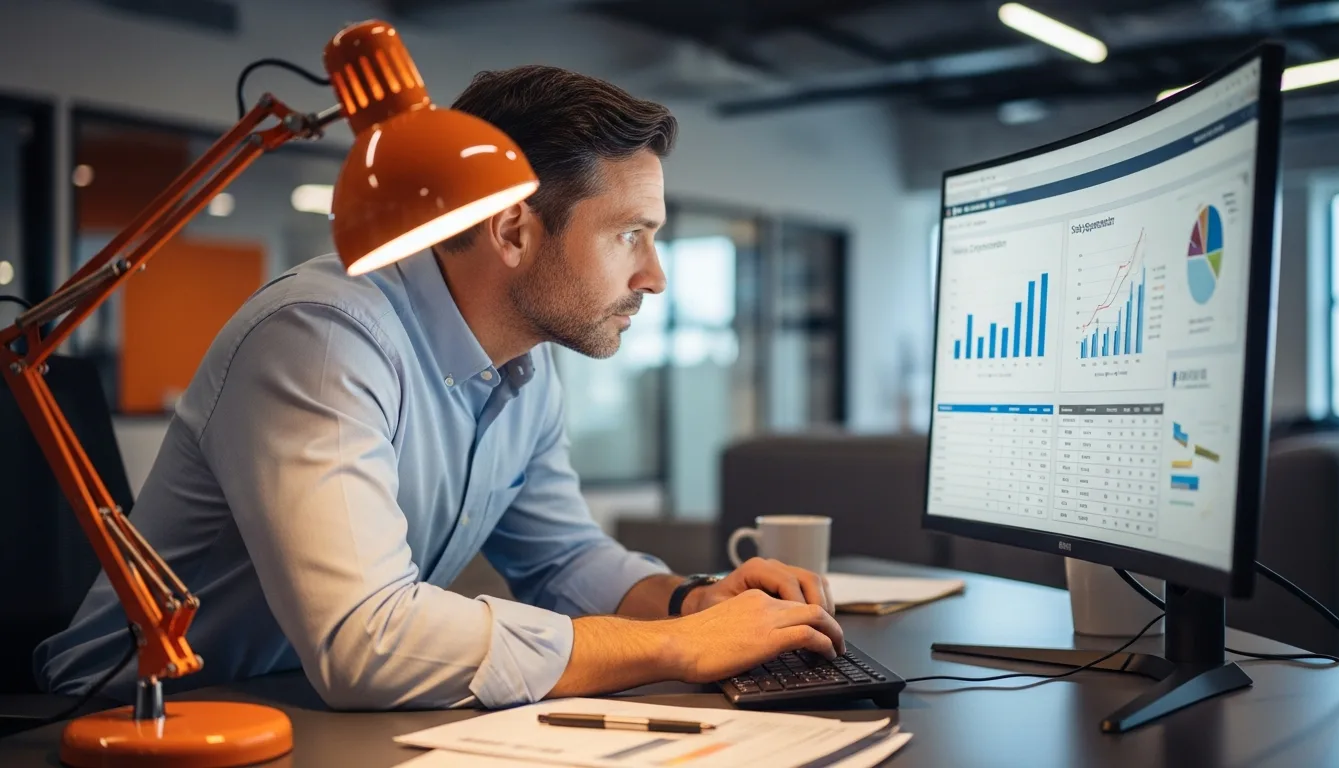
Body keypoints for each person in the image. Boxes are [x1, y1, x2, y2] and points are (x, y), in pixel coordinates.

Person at [35, 65, 844, 710]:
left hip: (296, 713)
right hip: (137, 720)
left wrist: (689, 605)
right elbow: (367, 642)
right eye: (630, 234)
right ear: (513, 229)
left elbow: (562, 558)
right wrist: (673, 651)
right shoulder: (321, 338)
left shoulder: (526, 363)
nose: (655, 276)